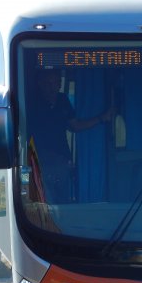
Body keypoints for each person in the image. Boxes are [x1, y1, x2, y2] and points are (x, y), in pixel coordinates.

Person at [29, 69, 114, 202]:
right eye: (47, 83)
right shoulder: (31, 102)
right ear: (40, 84)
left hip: (62, 161)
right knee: (44, 201)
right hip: (39, 161)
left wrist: (102, 118)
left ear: (60, 84)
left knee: (64, 202)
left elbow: (75, 126)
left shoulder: (62, 99)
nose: (52, 87)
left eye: (55, 83)